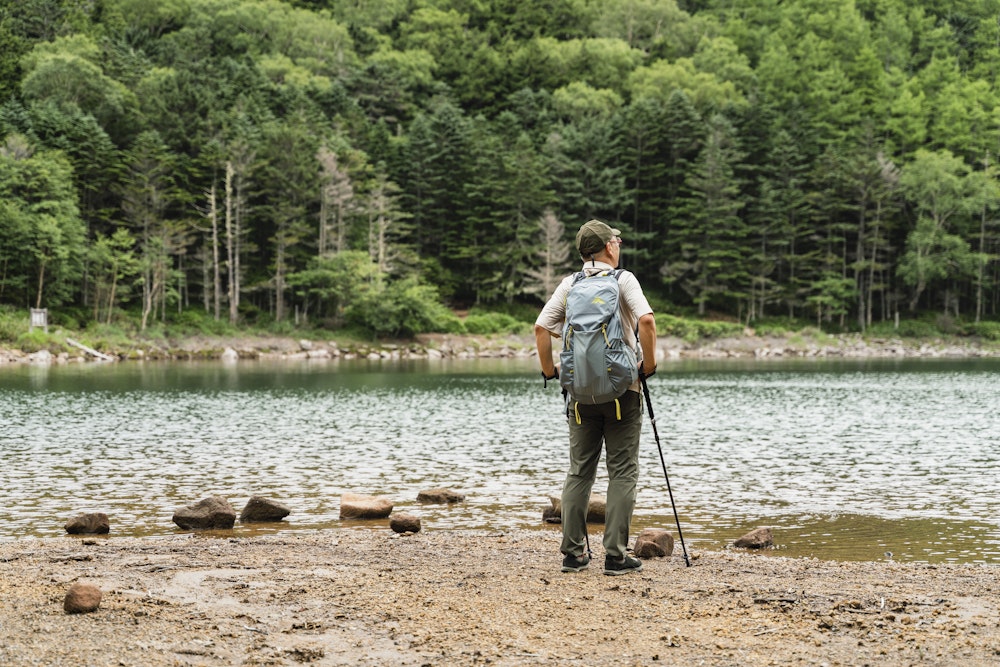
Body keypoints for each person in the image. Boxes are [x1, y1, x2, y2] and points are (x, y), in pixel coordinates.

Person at [534, 220, 657, 576]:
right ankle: (616, 556)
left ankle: (573, 554)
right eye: (616, 239)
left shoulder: (570, 284)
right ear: (608, 247)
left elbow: (542, 328)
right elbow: (647, 322)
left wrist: (549, 371)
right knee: (621, 472)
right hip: (623, 392)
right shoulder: (623, 280)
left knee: (579, 471)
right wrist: (647, 366)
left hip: (579, 394)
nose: (618, 244)